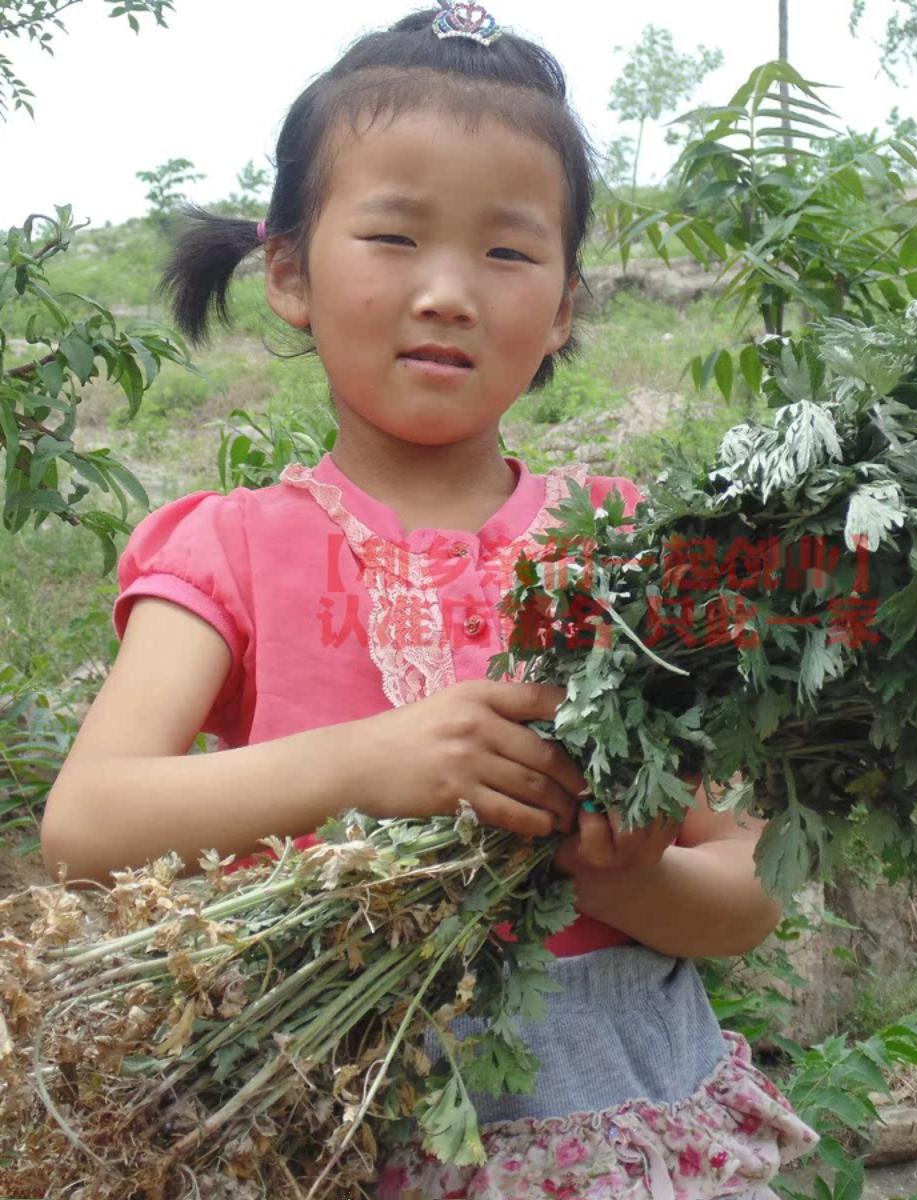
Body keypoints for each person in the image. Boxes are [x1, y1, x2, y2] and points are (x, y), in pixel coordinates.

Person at [39, 6, 819, 1197]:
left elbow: (747, 880)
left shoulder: (628, 552)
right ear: (290, 272)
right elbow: (87, 824)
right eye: (395, 237)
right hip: (324, 1110)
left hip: (620, 1112)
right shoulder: (232, 548)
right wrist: (372, 759)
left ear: (563, 307)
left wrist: (621, 879)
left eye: (508, 253)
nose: (449, 292)